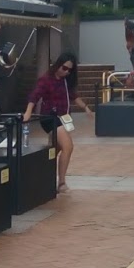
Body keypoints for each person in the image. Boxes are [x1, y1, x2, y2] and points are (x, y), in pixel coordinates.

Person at [22, 54, 91, 193]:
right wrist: (28, 113)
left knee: (55, 149)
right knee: (68, 146)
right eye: (64, 68)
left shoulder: (65, 81)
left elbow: (73, 96)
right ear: (58, 64)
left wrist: (86, 108)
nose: (66, 72)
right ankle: (62, 182)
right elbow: (35, 96)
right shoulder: (46, 79)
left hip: (62, 118)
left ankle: (42, 175)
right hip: (50, 118)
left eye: (69, 70)